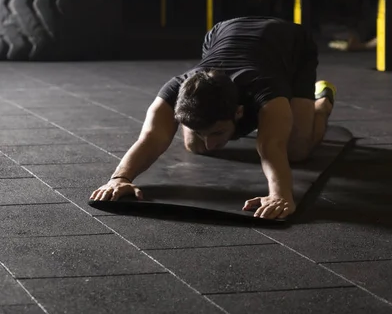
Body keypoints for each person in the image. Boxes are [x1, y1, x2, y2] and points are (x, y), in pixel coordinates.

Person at [89, 16, 337, 220]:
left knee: (297, 150)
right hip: (222, 32)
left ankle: (322, 101)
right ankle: (206, 127)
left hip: (289, 44)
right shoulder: (175, 90)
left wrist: (280, 195)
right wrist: (119, 179)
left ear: (239, 112)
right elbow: (152, 137)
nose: (210, 142)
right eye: (203, 132)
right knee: (195, 146)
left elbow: (272, 146)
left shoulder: (267, 94)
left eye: (217, 131)